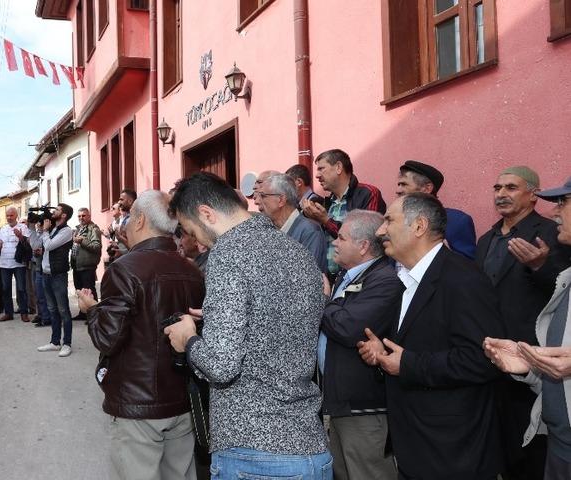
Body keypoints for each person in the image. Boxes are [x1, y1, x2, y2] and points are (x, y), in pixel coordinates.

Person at [164, 172, 332, 479]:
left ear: (206, 214)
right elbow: (280, 322)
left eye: (191, 230)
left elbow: (221, 365)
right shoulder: (295, 250)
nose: (198, 242)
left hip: (254, 450)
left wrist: (188, 340)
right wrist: (218, 318)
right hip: (309, 443)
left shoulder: (227, 254)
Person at [357, 193, 504, 479]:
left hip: (453, 452)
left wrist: (407, 364)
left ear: (419, 226)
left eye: (389, 220)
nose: (380, 230)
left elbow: (483, 359)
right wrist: (383, 355)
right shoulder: (407, 279)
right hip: (416, 446)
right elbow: (419, 345)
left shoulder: (463, 279)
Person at [80, 189, 206, 480]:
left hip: (138, 404)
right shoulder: (192, 270)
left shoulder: (124, 269)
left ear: (138, 221)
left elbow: (107, 339)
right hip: (181, 396)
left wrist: (92, 310)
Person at [475, 166, 571, 479]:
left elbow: (560, 292)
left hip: (536, 364)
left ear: (532, 195)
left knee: (529, 452)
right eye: (497, 187)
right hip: (494, 361)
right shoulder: (486, 238)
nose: (501, 194)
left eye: (511, 188)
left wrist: (540, 266)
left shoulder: (551, 234)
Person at [319, 210, 400, 480]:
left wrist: (323, 300)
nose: (334, 242)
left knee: (368, 473)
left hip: (365, 409)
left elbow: (349, 327)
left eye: (341, 237)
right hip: (342, 404)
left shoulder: (385, 280)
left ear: (363, 245)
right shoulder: (348, 275)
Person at [302, 149, 386, 276]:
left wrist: (326, 221)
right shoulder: (328, 201)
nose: (317, 175)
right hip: (331, 279)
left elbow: (365, 237)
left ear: (338, 167)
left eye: (321, 168)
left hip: (361, 277)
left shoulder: (368, 193)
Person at [395, 160, 477, 259]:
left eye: (404, 184)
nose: (398, 191)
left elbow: (468, 269)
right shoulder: (396, 220)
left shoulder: (457, 222)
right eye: (398, 185)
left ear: (426, 188)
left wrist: (445, 255)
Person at [255, 173, 327, 272]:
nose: (257, 201)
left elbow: (309, 277)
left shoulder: (309, 231)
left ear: (281, 200)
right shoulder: (269, 230)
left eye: (263, 196)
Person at [36, 203, 75, 357]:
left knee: (63, 309)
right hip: (46, 273)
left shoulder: (66, 231)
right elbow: (47, 246)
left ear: (64, 215)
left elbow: (51, 245)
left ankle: (67, 343)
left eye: (57, 210)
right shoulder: (53, 229)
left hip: (58, 274)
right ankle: (55, 342)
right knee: (52, 309)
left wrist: (45, 232)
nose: (54, 211)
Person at [0, 207, 31, 322]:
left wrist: (20, 236)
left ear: (16, 215)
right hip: (4, 263)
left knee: (21, 289)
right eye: (7, 216)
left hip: (18, 263)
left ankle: (24, 313)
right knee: (5, 289)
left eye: (11, 215)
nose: (9, 218)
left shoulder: (23, 227)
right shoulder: (3, 229)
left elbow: (28, 244)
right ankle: (8, 313)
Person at [70, 207, 102, 320]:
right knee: (79, 290)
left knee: (89, 291)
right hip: (77, 265)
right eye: (79, 216)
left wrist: (82, 241)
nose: (81, 218)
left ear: (89, 216)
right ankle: (83, 313)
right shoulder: (78, 229)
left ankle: (94, 316)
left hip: (87, 265)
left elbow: (97, 247)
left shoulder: (94, 229)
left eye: (83, 215)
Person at [29, 217, 52, 328]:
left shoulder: (49, 233)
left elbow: (36, 246)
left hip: (45, 268)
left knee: (44, 295)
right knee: (38, 294)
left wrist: (41, 250)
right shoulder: (39, 233)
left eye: (40, 223)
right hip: (37, 266)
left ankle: (47, 318)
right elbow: (35, 246)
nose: (38, 225)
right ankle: (42, 315)